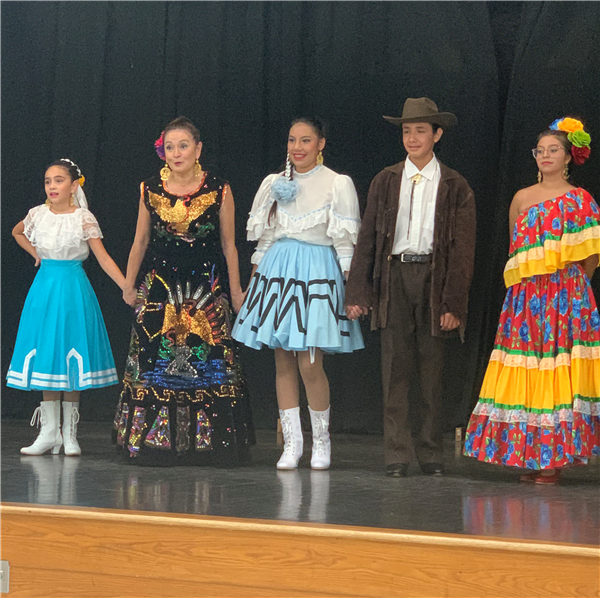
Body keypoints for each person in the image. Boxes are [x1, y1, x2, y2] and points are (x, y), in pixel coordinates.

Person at [345, 97, 476, 477]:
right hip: (396, 276)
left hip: (434, 277)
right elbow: (367, 237)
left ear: (437, 134)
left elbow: (464, 250)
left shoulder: (454, 185)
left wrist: (454, 302)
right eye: (406, 131)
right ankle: (397, 453)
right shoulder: (386, 180)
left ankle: (431, 452)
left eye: (420, 130)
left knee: (432, 369)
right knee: (395, 367)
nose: (412, 137)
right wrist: (358, 292)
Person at [464, 117, 599, 483]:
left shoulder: (581, 201)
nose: (545, 155)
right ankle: (528, 453)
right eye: (540, 150)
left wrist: (568, 292)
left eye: (553, 149)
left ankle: (554, 456)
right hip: (526, 298)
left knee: (558, 373)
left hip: (566, 298)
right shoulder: (522, 198)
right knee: (527, 370)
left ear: (569, 155)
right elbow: (516, 250)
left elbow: (589, 256)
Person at [114, 116, 254, 465]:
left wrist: (236, 291)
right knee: (155, 361)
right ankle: (153, 443)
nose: (176, 153)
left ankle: (209, 445)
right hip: (160, 285)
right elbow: (141, 240)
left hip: (205, 284)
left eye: (184, 146)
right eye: (170, 147)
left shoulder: (219, 188)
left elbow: (229, 245)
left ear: (198, 149)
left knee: (207, 362)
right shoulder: (150, 189)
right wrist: (129, 284)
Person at [233, 117, 364, 470]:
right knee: (282, 360)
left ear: (320, 143)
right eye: (292, 140)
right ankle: (293, 444)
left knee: (310, 362)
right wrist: (253, 285)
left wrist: (352, 288)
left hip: (316, 273)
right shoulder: (274, 184)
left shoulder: (337, 184)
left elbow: (344, 244)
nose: (298, 147)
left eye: (306, 140)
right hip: (278, 272)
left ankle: (322, 441)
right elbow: (265, 240)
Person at [7, 159, 125, 456]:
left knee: (71, 352)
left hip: (73, 290)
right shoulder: (37, 215)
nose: (52, 186)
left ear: (74, 186)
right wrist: (36, 255)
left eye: (59, 180)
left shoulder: (83, 218)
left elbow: (103, 257)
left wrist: (126, 285)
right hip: (45, 290)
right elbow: (17, 232)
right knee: (48, 352)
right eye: (48, 181)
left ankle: (70, 434)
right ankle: (49, 433)